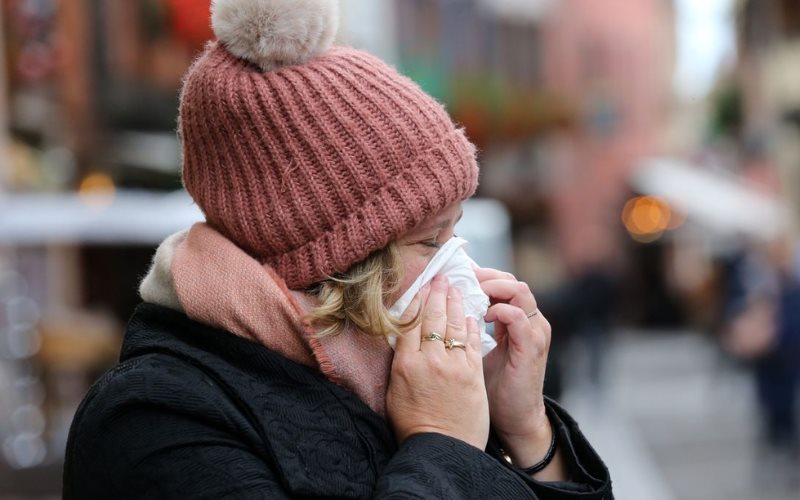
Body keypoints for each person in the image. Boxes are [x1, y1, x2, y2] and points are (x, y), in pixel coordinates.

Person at [63, 1, 612, 498]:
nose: (461, 267)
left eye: (454, 232)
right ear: (333, 263)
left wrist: (528, 433)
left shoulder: (399, 372)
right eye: (429, 241)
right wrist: (443, 447)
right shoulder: (156, 421)